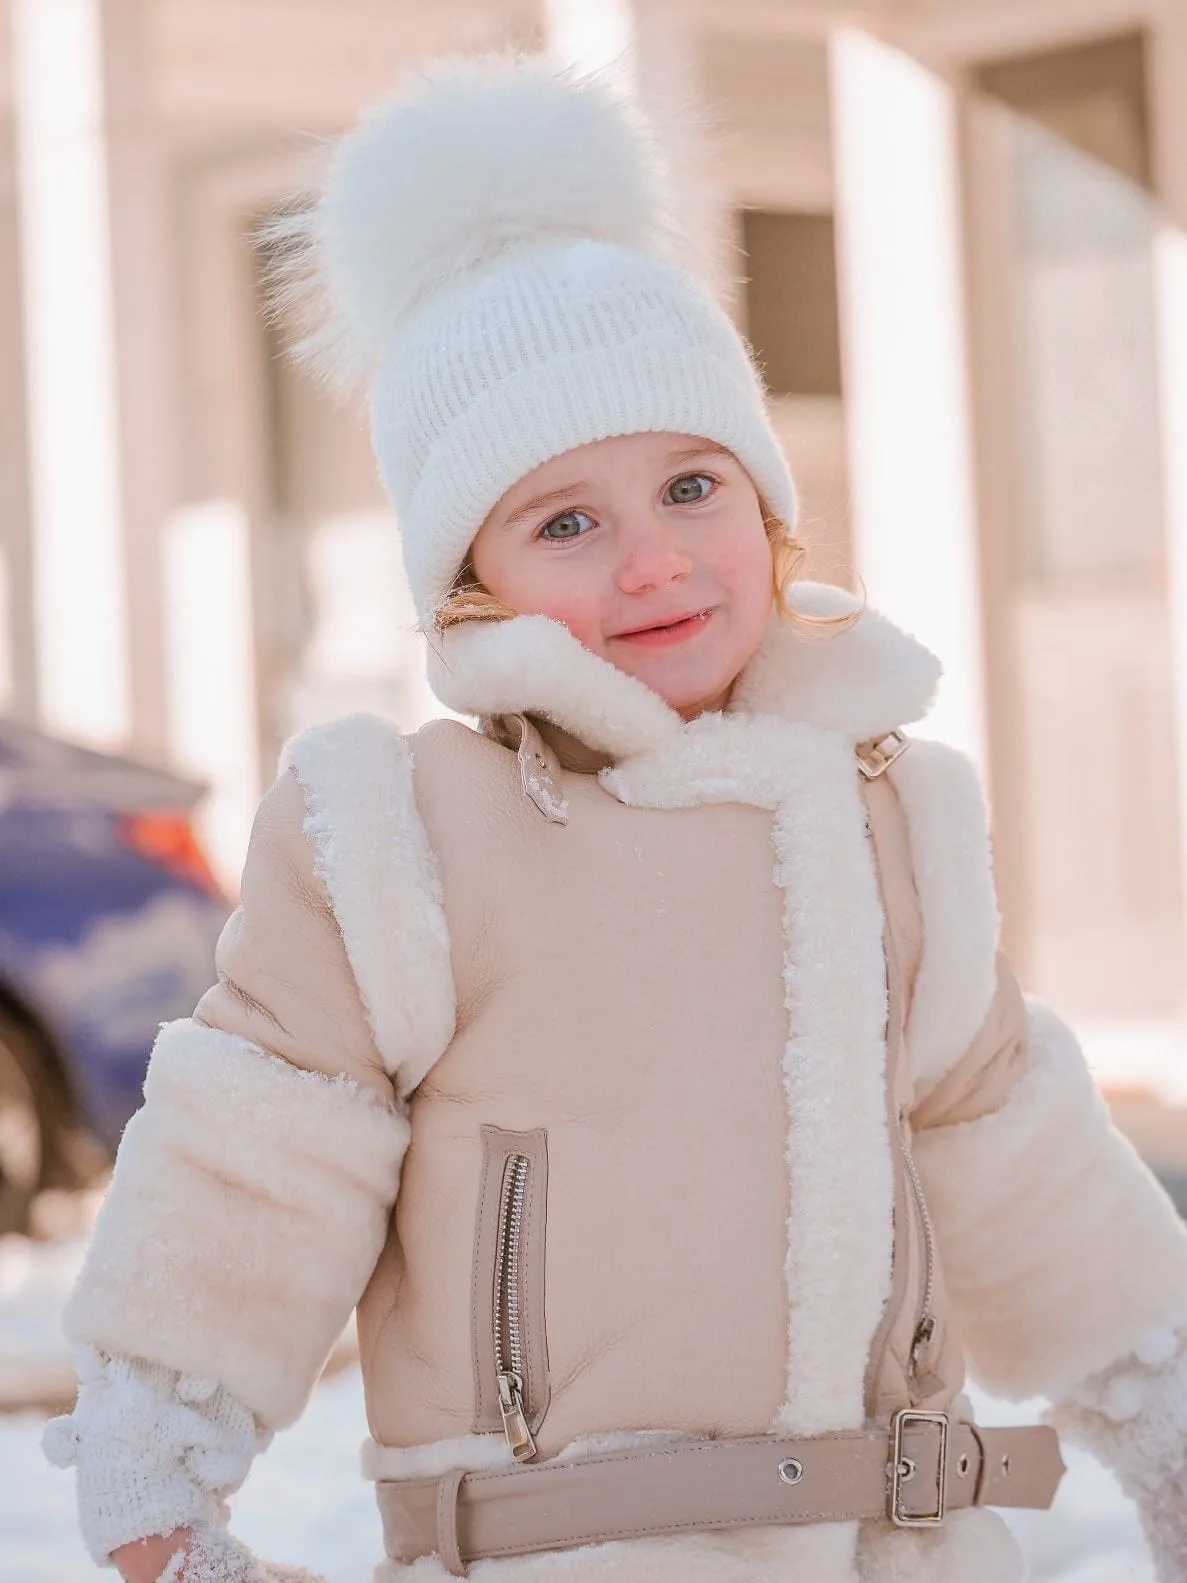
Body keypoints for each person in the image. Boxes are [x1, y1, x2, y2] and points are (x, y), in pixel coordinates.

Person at [43, 54, 1187, 1583]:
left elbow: (1012, 1142)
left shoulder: (892, 814)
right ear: (471, 579)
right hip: (556, 1548)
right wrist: (156, 1447)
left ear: (768, 510)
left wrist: (1158, 1406)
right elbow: (261, 1138)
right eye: (565, 522)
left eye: (692, 486)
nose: (652, 561)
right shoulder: (404, 835)